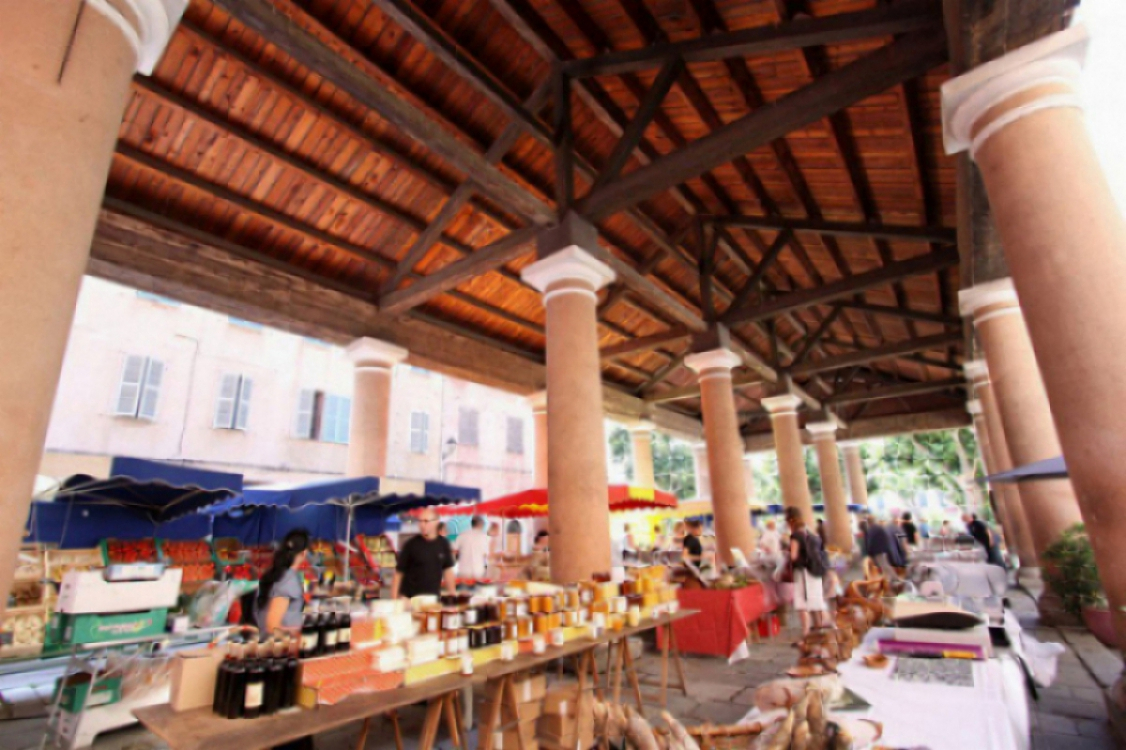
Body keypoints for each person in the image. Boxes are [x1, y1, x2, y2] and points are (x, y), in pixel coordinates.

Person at [392, 510, 457, 599]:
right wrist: (395, 599)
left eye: (426, 521)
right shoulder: (410, 544)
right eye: (420, 521)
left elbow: (448, 571)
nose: (422, 525)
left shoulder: (443, 544)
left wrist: (452, 594)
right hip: (410, 599)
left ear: (436, 522)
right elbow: (398, 573)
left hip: (432, 599)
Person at [256, 529, 310, 635]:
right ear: (304, 553)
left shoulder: (277, 573)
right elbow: (272, 626)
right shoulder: (288, 581)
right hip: (279, 645)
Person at [785, 507, 829, 635]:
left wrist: (784, 555)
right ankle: (821, 627)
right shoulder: (810, 533)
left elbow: (793, 556)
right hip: (815, 571)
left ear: (791, 520)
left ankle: (806, 633)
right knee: (816, 600)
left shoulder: (796, 535)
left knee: (802, 603)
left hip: (803, 573)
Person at [454, 516, 490, 580]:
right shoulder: (484, 537)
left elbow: (455, 551)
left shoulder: (462, 535)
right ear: (481, 524)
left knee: (463, 589)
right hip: (478, 569)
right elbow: (486, 554)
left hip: (463, 569)